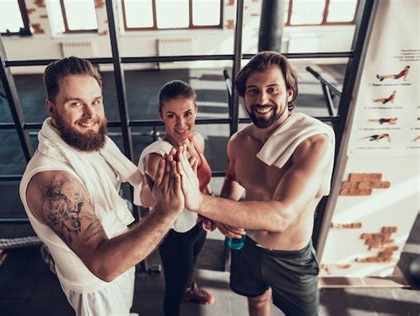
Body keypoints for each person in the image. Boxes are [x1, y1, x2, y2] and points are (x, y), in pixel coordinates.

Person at [19, 56, 185, 316]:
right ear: (51, 109)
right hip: (96, 287)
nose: (91, 115)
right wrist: (165, 213)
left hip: (120, 254)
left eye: (96, 102)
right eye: (76, 104)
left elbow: (139, 184)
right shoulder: (52, 181)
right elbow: (103, 265)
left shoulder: (90, 142)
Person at [177, 51, 335, 316]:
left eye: (272, 89)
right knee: (256, 301)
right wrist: (223, 211)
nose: (262, 99)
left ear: (290, 93)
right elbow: (233, 179)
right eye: (253, 91)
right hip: (247, 247)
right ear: (244, 96)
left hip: (291, 257)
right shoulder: (240, 142)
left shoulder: (313, 143)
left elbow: (281, 215)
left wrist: (203, 203)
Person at [134, 80, 215, 316]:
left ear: (196, 111)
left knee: (191, 265)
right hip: (174, 232)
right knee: (174, 285)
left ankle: (190, 289)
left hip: (198, 223)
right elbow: (168, 199)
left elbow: (202, 183)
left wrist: (208, 210)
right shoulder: (157, 158)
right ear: (162, 115)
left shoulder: (196, 140)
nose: (181, 124)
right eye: (172, 116)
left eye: (187, 113)